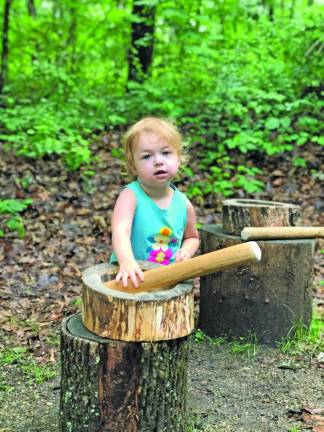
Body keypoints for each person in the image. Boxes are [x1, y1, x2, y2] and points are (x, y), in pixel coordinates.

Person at [110, 117, 199, 288]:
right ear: (133, 166)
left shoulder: (182, 203)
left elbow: (192, 237)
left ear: (178, 159)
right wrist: (127, 261)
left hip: (166, 281)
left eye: (166, 153)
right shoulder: (131, 195)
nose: (158, 161)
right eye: (147, 156)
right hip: (130, 277)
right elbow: (120, 230)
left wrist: (186, 252)